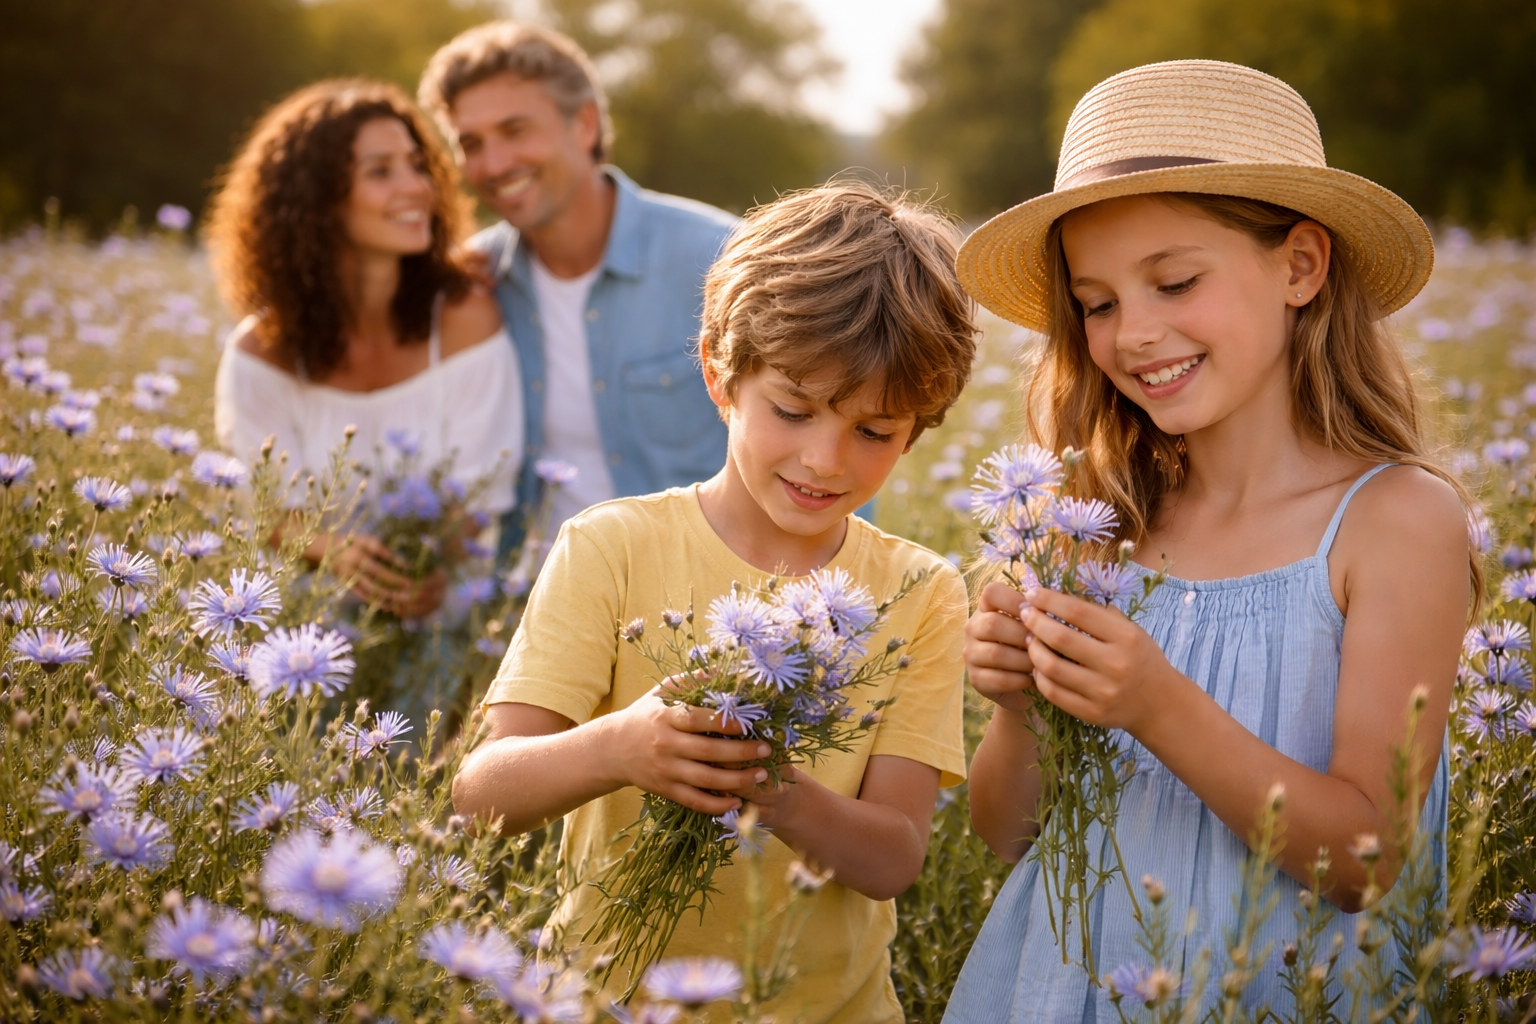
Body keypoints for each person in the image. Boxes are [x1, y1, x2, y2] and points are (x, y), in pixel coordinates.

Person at [945, 61, 1475, 1020]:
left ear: (1301, 266)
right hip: (1067, 989)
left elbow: (1366, 861)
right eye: (1098, 304)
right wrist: (1021, 711)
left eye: (1175, 281)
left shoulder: (1395, 522)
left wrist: (1153, 703)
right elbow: (1011, 835)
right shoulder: (1098, 525)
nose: (1134, 333)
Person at [452, 182, 977, 1021]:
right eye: (793, 410)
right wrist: (622, 748)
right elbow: (481, 791)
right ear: (719, 374)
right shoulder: (611, 546)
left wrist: (781, 794)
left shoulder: (921, 592)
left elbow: (893, 860)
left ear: (917, 428)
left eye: (874, 432)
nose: (825, 460)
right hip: (603, 998)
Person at [210, 79, 523, 622]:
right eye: (381, 172)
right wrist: (333, 553)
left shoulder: (465, 319)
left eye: (416, 164)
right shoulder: (263, 353)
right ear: (318, 202)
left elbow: (480, 488)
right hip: (312, 632)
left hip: (445, 622)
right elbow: (268, 511)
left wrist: (419, 567)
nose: (416, 187)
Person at [418, 21, 734, 549]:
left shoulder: (723, 258)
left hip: (702, 611)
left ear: (584, 124)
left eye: (516, 130)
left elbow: (820, 446)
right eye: (471, 143)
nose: (494, 164)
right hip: (534, 607)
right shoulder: (470, 287)